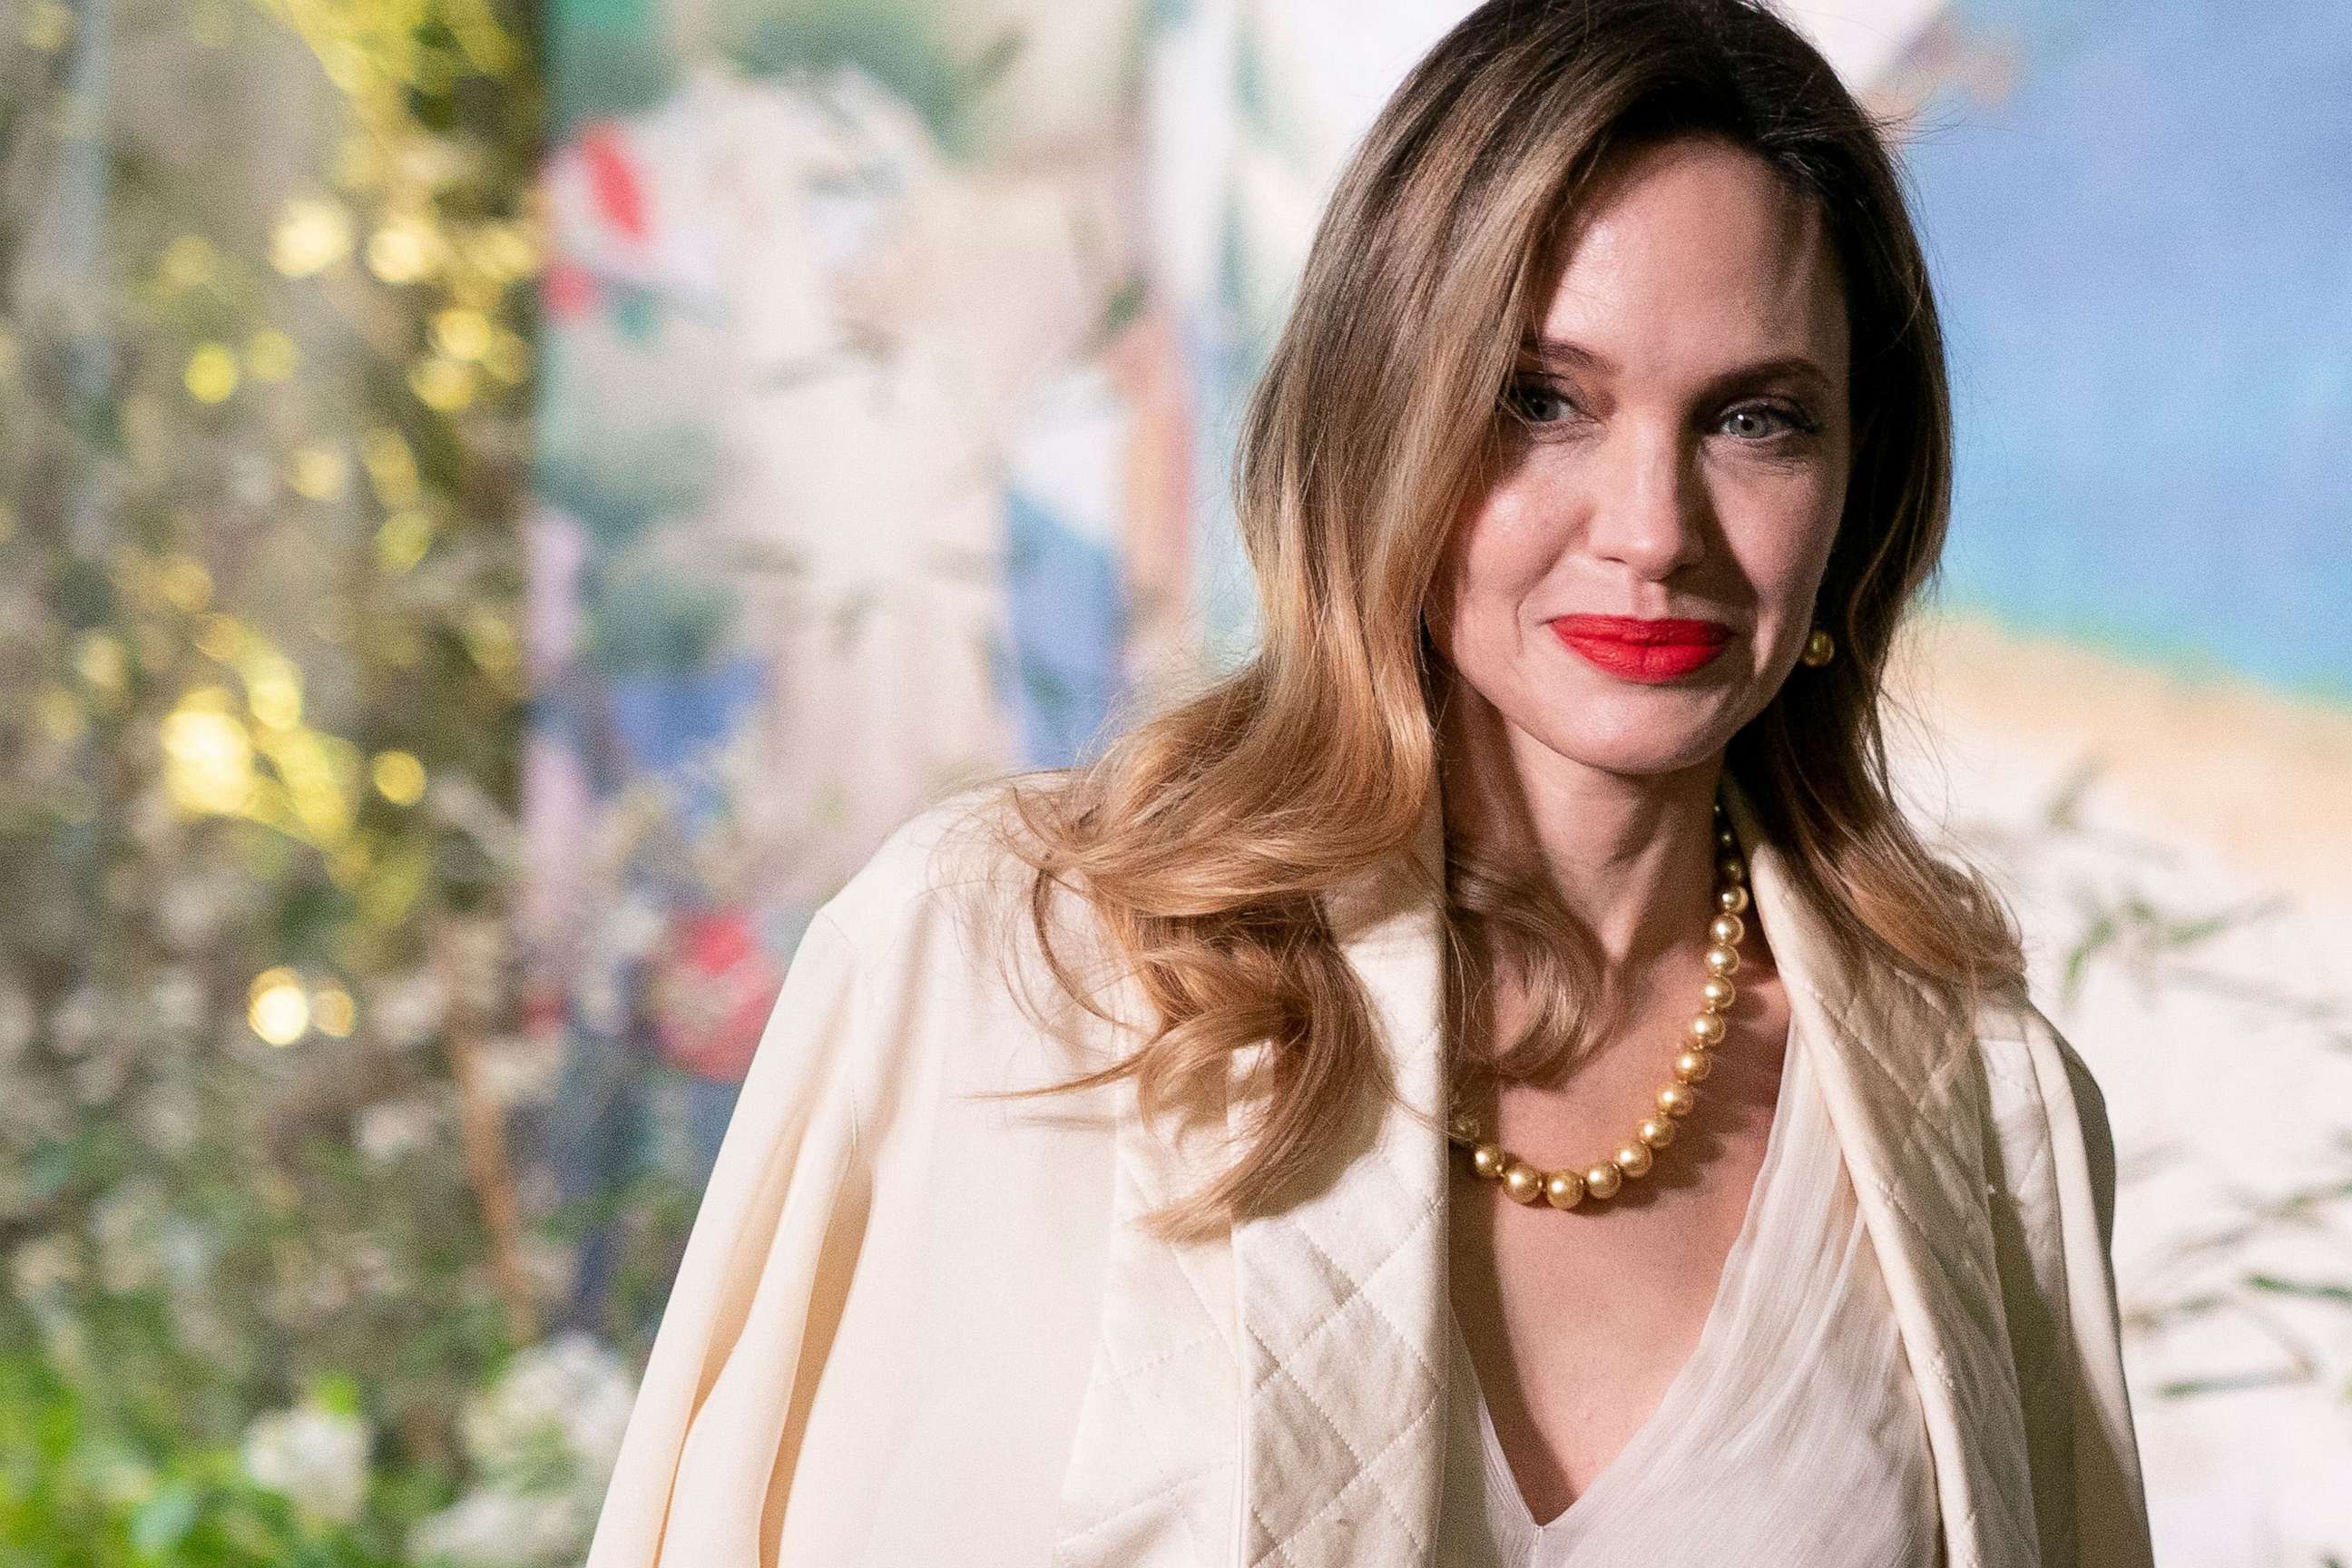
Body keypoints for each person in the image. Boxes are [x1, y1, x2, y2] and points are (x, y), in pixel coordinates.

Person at [581, 1, 2155, 1563]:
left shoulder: (1983, 1110)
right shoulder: (1001, 966)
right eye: (1544, 399)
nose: (1652, 527)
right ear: (1383, 411)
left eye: (1755, 419)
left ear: (1859, 491)